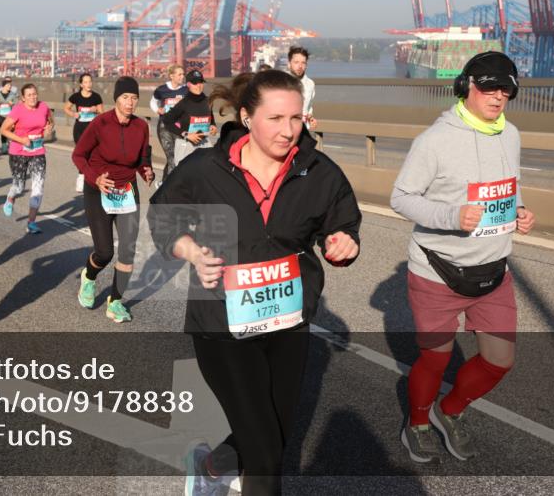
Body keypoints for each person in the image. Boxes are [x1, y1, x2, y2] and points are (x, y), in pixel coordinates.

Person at [149, 70, 361, 495]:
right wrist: (190, 251)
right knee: (265, 456)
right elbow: (162, 214)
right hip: (222, 322)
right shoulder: (206, 168)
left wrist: (344, 242)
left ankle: (210, 468)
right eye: (276, 119)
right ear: (247, 117)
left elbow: (342, 221)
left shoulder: (318, 171)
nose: (288, 131)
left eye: (296, 119)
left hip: (287, 321)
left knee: (275, 434)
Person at [391, 51, 535, 463]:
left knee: (500, 360)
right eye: (489, 86)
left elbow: (509, 188)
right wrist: (452, 216)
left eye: (506, 89)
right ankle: (417, 423)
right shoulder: (434, 141)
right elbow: (401, 198)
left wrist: (519, 213)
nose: (498, 96)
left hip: (493, 270)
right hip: (438, 271)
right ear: (466, 86)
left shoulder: (511, 134)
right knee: (435, 359)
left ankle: (448, 411)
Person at [72, 76, 153, 323]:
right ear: (116, 99)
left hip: (127, 191)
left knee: (127, 251)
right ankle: (89, 276)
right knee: (105, 252)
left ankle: (115, 302)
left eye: (134, 98)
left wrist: (147, 170)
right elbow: (79, 155)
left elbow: (141, 159)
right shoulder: (100, 123)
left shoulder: (141, 127)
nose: (130, 103)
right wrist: (95, 178)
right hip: (99, 190)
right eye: (125, 98)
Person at [0, 83, 54, 234]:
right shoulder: (18, 110)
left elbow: (51, 121)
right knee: (19, 187)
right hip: (18, 151)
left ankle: (31, 222)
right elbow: (3, 130)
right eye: (29, 95)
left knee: (38, 187)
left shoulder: (43, 106)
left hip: (37, 150)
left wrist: (49, 129)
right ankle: (11, 197)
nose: (33, 97)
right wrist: (21, 140)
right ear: (23, 98)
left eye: (35, 94)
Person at [162, 69, 218, 166]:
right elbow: (167, 121)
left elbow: (211, 118)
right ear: (188, 84)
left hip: (204, 143)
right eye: (195, 83)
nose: (199, 86)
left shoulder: (208, 101)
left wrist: (213, 126)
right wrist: (185, 134)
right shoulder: (183, 103)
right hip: (186, 145)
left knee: (205, 176)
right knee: (186, 179)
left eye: (201, 82)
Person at [64, 72, 104, 191]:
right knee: (82, 154)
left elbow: (102, 113)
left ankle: (91, 177)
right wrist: (74, 114)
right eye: (86, 82)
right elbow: (66, 108)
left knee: (92, 154)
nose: (89, 84)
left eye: (90, 81)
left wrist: (95, 109)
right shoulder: (76, 97)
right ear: (81, 84)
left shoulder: (96, 97)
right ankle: (81, 178)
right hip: (79, 129)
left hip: (93, 129)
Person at [149, 63, 187, 184]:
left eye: (183, 74)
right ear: (172, 76)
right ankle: (170, 185)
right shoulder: (162, 90)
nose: (182, 76)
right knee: (171, 156)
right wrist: (157, 110)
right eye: (179, 74)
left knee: (177, 157)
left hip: (179, 128)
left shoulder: (186, 89)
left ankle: (163, 183)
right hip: (164, 127)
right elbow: (152, 102)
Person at [287, 46, 317, 131]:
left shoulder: (310, 84)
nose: (300, 66)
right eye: (296, 62)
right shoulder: (281, 82)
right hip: (286, 129)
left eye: (303, 63)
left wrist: (310, 118)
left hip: (304, 130)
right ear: (289, 64)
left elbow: (309, 108)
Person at [0, 78, 19, 154]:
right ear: (4, 86)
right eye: (8, 85)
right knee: (3, 129)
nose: (10, 86)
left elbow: (17, 103)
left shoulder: (12, 94)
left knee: (9, 130)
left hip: (9, 115)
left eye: (10, 85)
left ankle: (9, 143)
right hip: (0, 115)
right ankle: (4, 146)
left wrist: (12, 103)